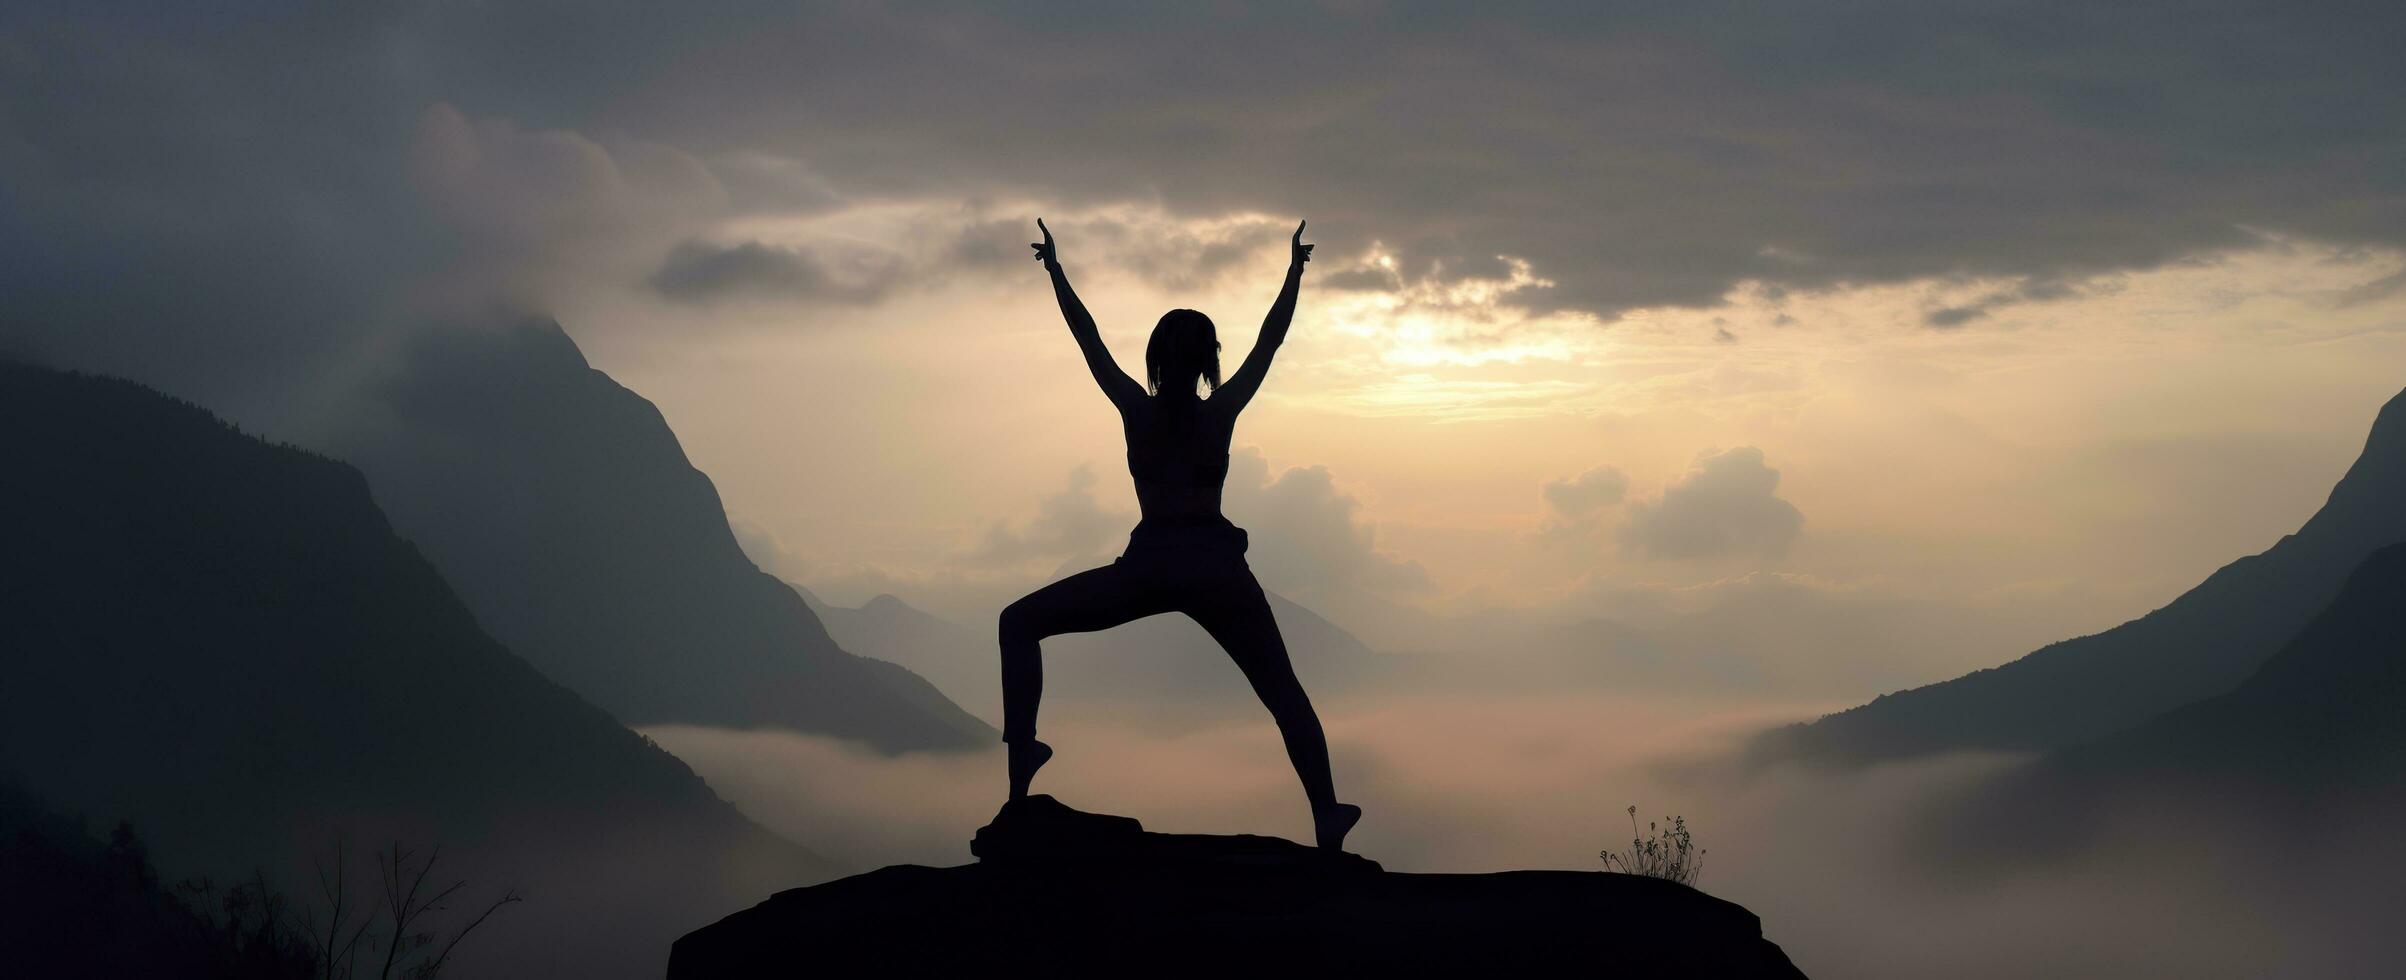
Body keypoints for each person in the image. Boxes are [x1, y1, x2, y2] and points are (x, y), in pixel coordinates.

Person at [998, 217, 1362, 852]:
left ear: (1155, 358)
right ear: (1208, 361)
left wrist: (1056, 270)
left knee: (1018, 622)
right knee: (1284, 694)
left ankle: (1022, 760)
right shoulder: (1219, 413)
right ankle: (1326, 811)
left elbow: (1088, 340)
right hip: (1216, 568)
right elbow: (1270, 344)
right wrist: (1294, 272)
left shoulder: (1136, 410)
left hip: (1151, 564)